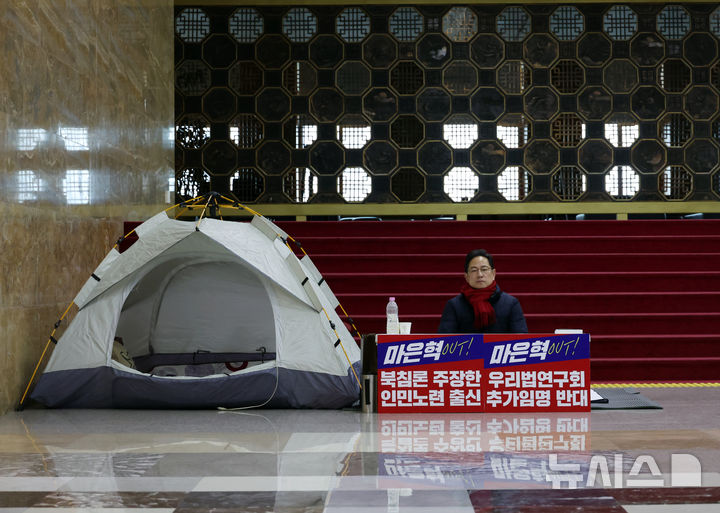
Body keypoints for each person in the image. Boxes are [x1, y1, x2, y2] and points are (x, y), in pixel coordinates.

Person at [438, 249, 527, 333]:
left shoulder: (510, 303)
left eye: (484, 269)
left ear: (493, 274)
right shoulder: (454, 305)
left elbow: (521, 338)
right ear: (466, 277)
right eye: (474, 270)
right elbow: (445, 340)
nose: (480, 275)